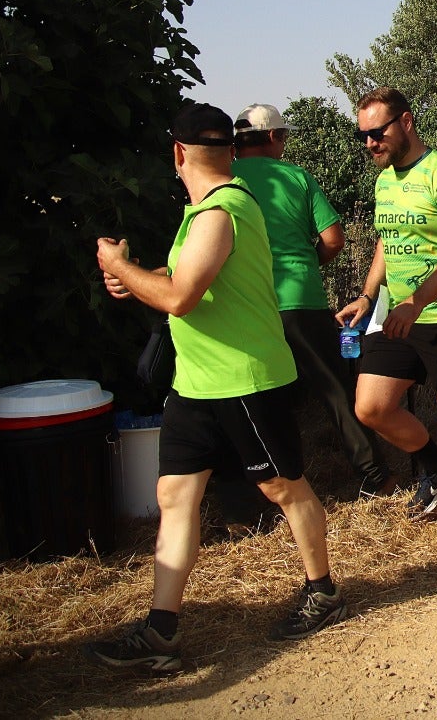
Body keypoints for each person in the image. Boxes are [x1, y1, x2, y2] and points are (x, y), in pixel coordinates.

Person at [88, 103, 345, 674]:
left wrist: (116, 264)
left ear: (177, 153)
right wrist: (138, 281)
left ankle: (323, 591)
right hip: (196, 384)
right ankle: (162, 629)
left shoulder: (222, 210)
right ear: (229, 149)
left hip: (245, 381)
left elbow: (180, 296)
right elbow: (189, 284)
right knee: (175, 496)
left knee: (284, 488)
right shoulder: (205, 212)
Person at [334, 87, 437, 549]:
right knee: (371, 406)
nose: (369, 143)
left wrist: (416, 302)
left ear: (405, 121)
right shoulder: (385, 179)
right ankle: (436, 466)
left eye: (376, 132)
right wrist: (368, 295)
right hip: (399, 314)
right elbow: (388, 240)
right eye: (362, 135)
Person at [232, 103, 391, 496]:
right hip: (300, 299)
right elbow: (334, 239)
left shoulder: (223, 179)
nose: (284, 144)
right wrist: (306, 262)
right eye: (283, 137)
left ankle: (263, 484)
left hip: (245, 304)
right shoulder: (295, 177)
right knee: (335, 390)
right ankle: (375, 475)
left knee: (253, 396)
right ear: (272, 137)